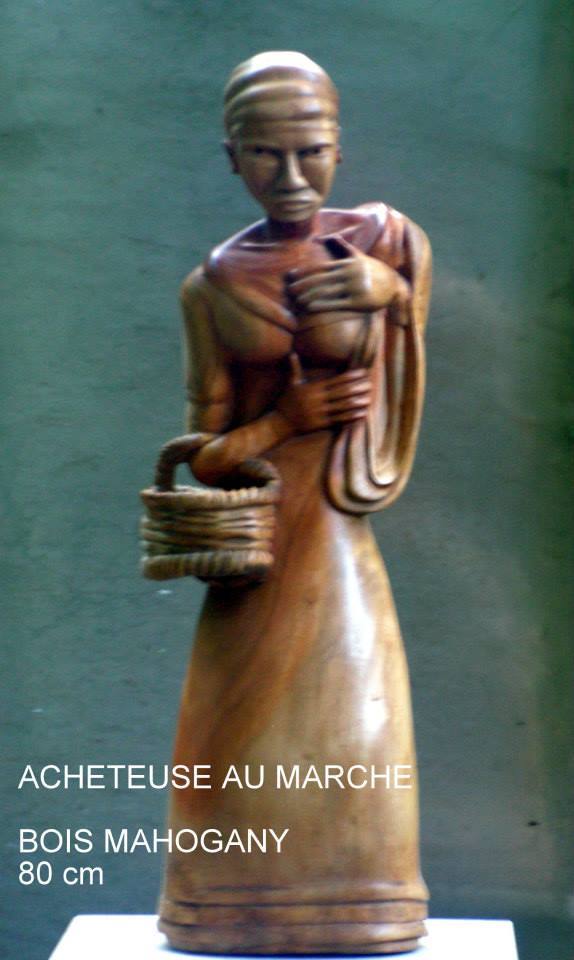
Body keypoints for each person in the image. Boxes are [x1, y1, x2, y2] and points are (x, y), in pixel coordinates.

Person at [157, 51, 432, 955]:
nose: (291, 175)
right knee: (237, 738)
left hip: (340, 539)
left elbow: (407, 341)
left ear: (340, 150)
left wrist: (393, 294)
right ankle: (223, 905)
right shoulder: (211, 288)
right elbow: (204, 458)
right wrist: (285, 421)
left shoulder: (381, 244)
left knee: (359, 720)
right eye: (265, 154)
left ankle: (367, 902)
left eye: (311, 151)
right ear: (231, 157)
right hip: (262, 553)